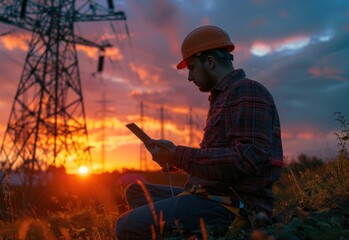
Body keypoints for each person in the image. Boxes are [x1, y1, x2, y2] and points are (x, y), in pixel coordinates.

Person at [115, 25, 283, 239]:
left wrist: (177, 154)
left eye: (192, 67)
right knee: (136, 192)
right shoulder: (223, 97)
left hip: (234, 205)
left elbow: (246, 159)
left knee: (126, 226)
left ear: (210, 62)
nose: (189, 77)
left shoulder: (246, 91)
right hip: (210, 195)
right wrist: (172, 159)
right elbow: (220, 159)